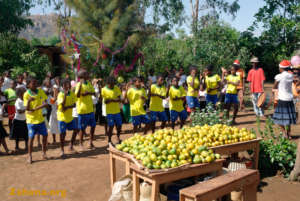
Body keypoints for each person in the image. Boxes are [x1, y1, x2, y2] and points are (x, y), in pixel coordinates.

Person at [24, 77, 49, 164]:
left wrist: (38, 107)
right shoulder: (26, 94)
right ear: (28, 85)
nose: (35, 84)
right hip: (31, 120)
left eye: (36, 82)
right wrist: (29, 101)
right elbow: (27, 109)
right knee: (31, 138)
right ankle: (30, 156)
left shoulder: (40, 91)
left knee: (45, 136)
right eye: (33, 83)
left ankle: (44, 153)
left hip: (40, 119)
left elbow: (45, 103)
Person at [272, 60, 296, 139]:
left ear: (282, 68)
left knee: (278, 118)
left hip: (282, 99)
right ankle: (289, 134)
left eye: (279, 67)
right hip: (289, 99)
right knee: (288, 117)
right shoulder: (291, 76)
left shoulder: (279, 76)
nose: (279, 69)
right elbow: (297, 80)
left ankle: (284, 133)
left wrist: (275, 88)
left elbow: (274, 87)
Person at [75, 69, 96, 149]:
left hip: (90, 109)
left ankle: (90, 142)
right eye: (86, 73)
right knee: (81, 128)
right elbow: (77, 95)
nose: (88, 75)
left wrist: (88, 93)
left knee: (93, 126)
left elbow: (94, 93)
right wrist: (82, 91)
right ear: (83, 76)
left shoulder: (89, 83)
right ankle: (81, 143)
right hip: (82, 110)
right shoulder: (78, 84)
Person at [57, 79, 78, 156]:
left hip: (70, 117)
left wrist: (68, 107)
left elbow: (74, 104)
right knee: (63, 134)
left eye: (68, 84)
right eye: (65, 84)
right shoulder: (60, 94)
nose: (67, 86)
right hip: (62, 117)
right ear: (62, 86)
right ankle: (62, 150)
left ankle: (71, 145)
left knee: (76, 129)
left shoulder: (72, 93)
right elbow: (62, 106)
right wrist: (65, 96)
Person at [101, 77, 122, 144]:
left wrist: (111, 100)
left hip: (117, 111)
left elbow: (119, 99)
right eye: (111, 84)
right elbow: (105, 101)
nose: (113, 85)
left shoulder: (116, 88)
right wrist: (114, 100)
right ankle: (109, 140)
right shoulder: (103, 89)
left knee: (119, 125)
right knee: (111, 126)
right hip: (109, 112)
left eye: (113, 84)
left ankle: (117, 137)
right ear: (108, 84)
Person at [10, 87, 28, 151]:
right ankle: (17, 147)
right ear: (20, 94)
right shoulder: (18, 101)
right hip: (17, 120)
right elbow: (19, 111)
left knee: (26, 134)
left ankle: (26, 146)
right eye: (24, 93)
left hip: (25, 119)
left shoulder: (25, 100)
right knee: (17, 135)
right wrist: (27, 109)